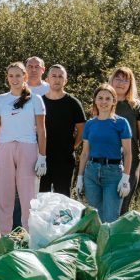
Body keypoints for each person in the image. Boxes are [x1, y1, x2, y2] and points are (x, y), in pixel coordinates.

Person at [0, 62, 47, 234]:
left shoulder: (36, 99)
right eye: (11, 76)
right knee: (4, 195)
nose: (14, 79)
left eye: (18, 75)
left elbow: (41, 130)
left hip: (28, 148)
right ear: (7, 78)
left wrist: (42, 156)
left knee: (28, 197)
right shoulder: (1, 99)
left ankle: (29, 236)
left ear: (25, 76)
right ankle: (5, 236)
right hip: (5, 148)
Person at [76, 84, 133, 223]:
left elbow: (128, 152)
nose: (103, 102)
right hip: (91, 172)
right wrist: (80, 177)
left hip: (113, 173)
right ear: (95, 100)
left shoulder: (121, 123)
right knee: (95, 218)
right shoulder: (90, 124)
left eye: (108, 98)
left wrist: (126, 178)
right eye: (100, 98)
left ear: (114, 101)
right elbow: (85, 153)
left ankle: (109, 238)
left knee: (110, 218)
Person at [109, 67, 140, 213]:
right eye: (118, 79)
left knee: (122, 203)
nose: (120, 83)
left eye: (125, 80)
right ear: (111, 80)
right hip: (105, 160)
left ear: (130, 84)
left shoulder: (137, 107)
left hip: (130, 161)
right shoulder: (103, 101)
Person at [40, 64, 86, 197]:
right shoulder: (39, 102)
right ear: (47, 79)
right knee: (41, 198)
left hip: (65, 159)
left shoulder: (73, 103)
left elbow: (82, 129)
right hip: (42, 157)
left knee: (63, 198)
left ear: (65, 81)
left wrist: (72, 146)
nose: (57, 79)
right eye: (54, 76)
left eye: (61, 76)